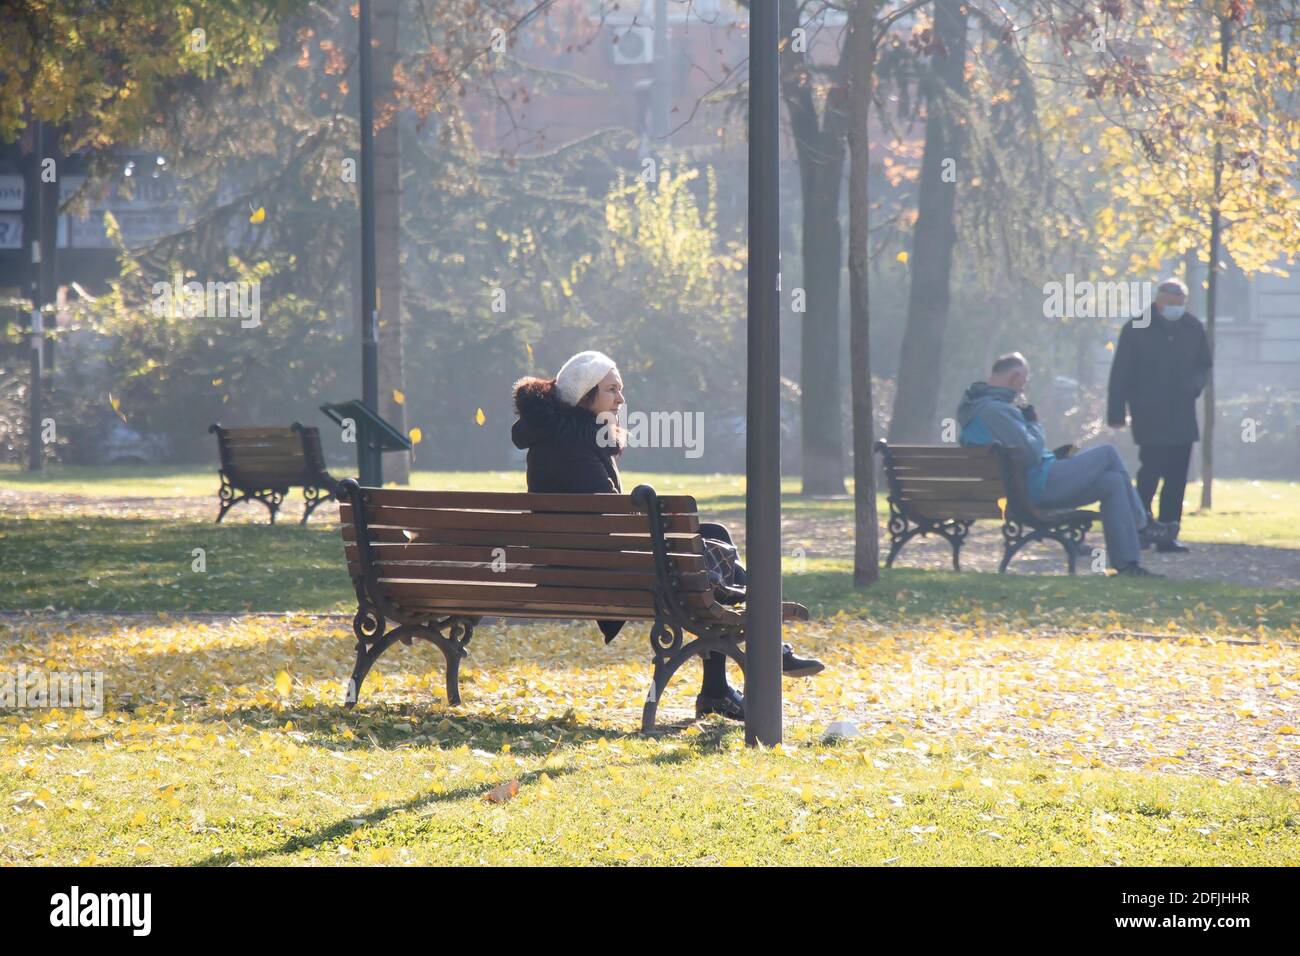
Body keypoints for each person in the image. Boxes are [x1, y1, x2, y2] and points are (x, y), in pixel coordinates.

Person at [510, 350, 824, 722]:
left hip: (582, 566)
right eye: (612, 390)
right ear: (584, 395)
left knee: (712, 535)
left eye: (620, 390)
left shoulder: (561, 436)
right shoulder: (570, 444)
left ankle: (724, 683)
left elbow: (605, 520)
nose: (621, 399)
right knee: (700, 561)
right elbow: (610, 519)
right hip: (601, 573)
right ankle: (765, 645)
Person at [957, 352, 1173, 577]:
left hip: (1026, 485)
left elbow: (1019, 452)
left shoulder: (979, 408)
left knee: (1113, 482)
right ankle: (1143, 526)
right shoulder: (995, 411)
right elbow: (1030, 453)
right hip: (1035, 488)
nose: (1024, 386)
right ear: (1015, 376)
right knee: (1108, 453)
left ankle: (1127, 565)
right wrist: (1034, 424)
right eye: (1025, 380)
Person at [1107, 277, 1212, 553]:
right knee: (1150, 472)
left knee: (1178, 476)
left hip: (1182, 412)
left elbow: (1204, 365)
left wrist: (1195, 386)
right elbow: (1120, 373)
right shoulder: (1136, 328)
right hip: (1148, 413)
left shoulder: (1192, 327)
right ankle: (1141, 529)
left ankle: (1169, 531)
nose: (1175, 308)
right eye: (1170, 303)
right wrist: (1116, 412)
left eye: (1179, 304)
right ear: (1158, 300)